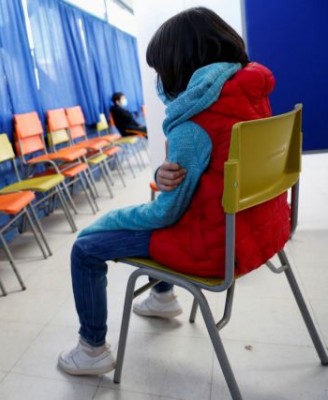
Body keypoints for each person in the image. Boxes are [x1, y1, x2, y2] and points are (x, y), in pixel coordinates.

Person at [58, 7, 291, 376]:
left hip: (214, 248)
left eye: (161, 69)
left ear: (179, 67)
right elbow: (207, 174)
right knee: (173, 205)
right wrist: (162, 173)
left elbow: (165, 213)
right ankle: (162, 296)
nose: (160, 78)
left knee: (86, 248)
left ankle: (91, 350)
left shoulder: (193, 124)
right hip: (261, 231)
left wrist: (107, 218)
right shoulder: (248, 95)